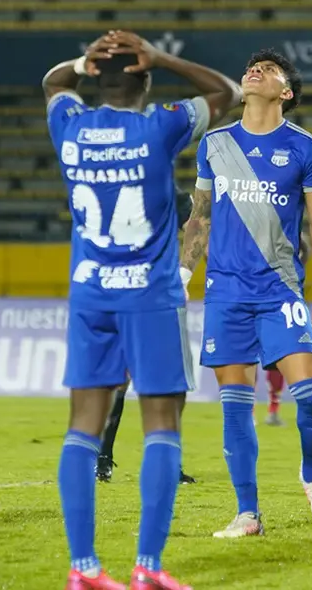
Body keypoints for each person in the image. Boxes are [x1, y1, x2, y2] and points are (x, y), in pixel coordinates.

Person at [44, 30, 240, 589]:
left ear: (94, 80)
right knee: (161, 424)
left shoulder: (70, 125)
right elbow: (225, 92)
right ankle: (148, 568)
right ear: (146, 80)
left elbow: (53, 82)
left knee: (83, 425)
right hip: (150, 294)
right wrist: (163, 56)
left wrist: (85, 60)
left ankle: (82, 568)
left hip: (90, 292)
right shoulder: (160, 126)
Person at [179, 48, 312, 539]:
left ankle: (311, 473)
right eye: (252, 66)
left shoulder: (304, 147)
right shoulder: (215, 143)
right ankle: (248, 514)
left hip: (280, 288)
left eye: (269, 70)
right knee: (235, 403)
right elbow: (200, 216)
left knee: (311, 396)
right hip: (225, 291)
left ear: (285, 92)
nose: (255, 71)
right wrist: (181, 277)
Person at [97, 187, 197, 486]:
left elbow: (198, 225)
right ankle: (103, 457)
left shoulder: (173, 196)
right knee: (120, 378)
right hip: (124, 291)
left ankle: (168, 462)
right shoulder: (116, 190)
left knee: (168, 382)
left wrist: (183, 275)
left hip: (161, 295)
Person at [263, 232, 310, 427]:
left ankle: (273, 411)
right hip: (250, 298)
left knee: (277, 360)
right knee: (247, 359)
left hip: (280, 302)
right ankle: (251, 412)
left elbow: (305, 247)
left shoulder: (289, 232)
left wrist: (299, 269)